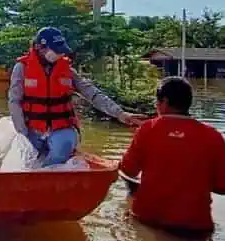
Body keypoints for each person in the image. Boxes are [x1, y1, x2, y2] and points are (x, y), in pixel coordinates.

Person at [9, 27, 145, 167]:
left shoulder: (67, 69)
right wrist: (22, 133)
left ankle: (45, 175)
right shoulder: (22, 68)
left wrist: (120, 113)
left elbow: (92, 93)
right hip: (32, 129)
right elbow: (14, 102)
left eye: (60, 50)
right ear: (39, 47)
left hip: (61, 128)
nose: (59, 54)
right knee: (27, 156)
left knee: (61, 150)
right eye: (55, 50)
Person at [118, 76, 225, 236]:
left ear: (164, 102)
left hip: (149, 219)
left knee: (124, 218)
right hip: (196, 227)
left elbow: (128, 170)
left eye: (157, 101)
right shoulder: (213, 136)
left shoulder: (147, 129)